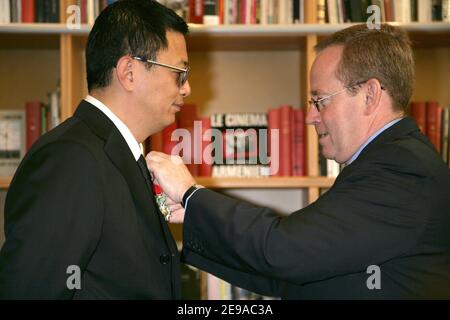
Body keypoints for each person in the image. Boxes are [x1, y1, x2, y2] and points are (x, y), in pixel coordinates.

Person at [147, 23, 450, 299]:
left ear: (369, 95)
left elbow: (285, 251)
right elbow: (297, 277)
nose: (309, 117)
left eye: (319, 101)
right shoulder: (389, 162)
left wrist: (192, 194)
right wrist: (196, 213)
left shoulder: (401, 169)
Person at [0, 0, 191, 299]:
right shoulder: (69, 159)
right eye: (178, 73)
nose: (186, 88)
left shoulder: (116, 153)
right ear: (129, 72)